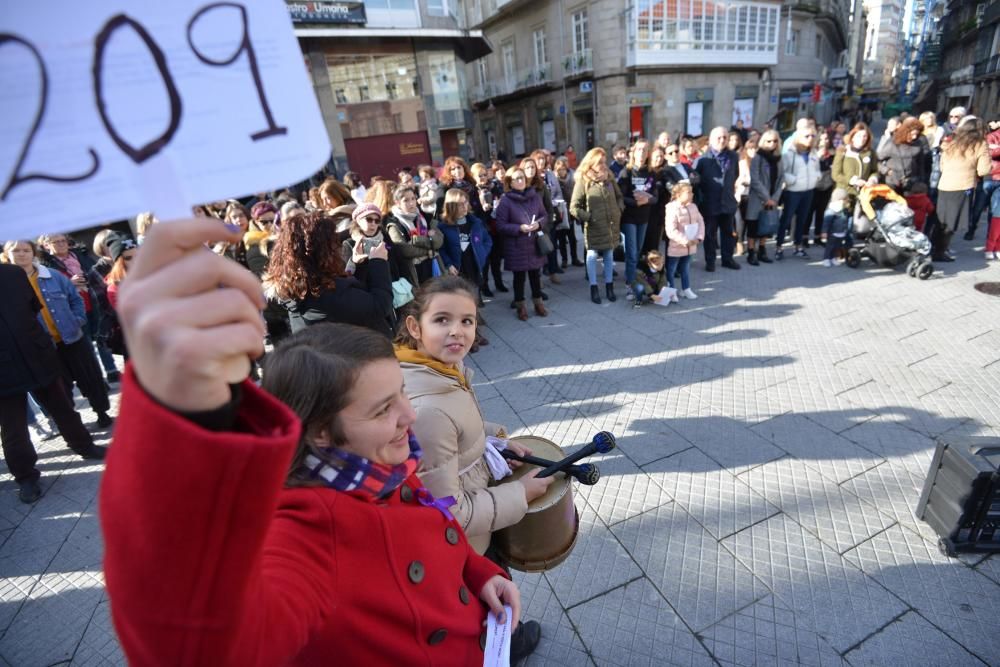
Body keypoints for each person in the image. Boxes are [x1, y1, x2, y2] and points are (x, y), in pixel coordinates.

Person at [101, 221, 522, 664]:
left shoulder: (376, 460)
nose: (409, 415)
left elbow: (437, 524)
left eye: (401, 391)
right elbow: (202, 645)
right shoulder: (305, 531)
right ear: (321, 429)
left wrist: (479, 573)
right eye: (383, 409)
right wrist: (173, 408)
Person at [394, 276, 548, 660]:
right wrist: (520, 494)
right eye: (442, 320)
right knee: (489, 601)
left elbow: (459, 430)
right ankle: (504, 649)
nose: (457, 332)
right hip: (467, 541)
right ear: (415, 326)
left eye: (467, 321)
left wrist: (493, 441)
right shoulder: (428, 407)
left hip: (476, 506)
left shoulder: (440, 368)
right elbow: (448, 514)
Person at [0, 263, 105, 504]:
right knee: (13, 425)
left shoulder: (13, 273)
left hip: (36, 353)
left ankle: (84, 445)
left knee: (63, 406)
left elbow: (33, 307)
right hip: (3, 368)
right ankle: (25, 476)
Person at [4, 241, 115, 428]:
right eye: (16, 251)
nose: (22, 254)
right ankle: (73, 424)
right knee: (60, 390)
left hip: (72, 338)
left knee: (90, 378)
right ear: (7, 255)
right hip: (41, 347)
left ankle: (101, 412)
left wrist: (77, 320)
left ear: (34, 253)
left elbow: (75, 299)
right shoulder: (7, 285)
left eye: (26, 250)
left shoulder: (53, 276)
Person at [268, 212, 394, 337]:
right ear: (321, 250)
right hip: (356, 353)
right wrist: (379, 262)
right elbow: (380, 305)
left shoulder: (298, 285)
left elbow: (355, 299)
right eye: (333, 240)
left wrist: (356, 264)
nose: (337, 245)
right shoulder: (327, 292)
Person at [39, 232, 120, 383]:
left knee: (102, 338)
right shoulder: (46, 266)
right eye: (56, 242)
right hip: (72, 309)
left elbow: (96, 274)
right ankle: (97, 378)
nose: (62, 244)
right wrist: (70, 283)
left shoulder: (80, 255)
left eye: (63, 240)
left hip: (95, 303)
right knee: (87, 345)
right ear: (47, 245)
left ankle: (112, 371)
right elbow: (49, 290)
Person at [570, 147, 624, 304]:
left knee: (608, 255)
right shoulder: (583, 180)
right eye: (599, 162)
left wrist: (619, 209)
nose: (603, 164)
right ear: (591, 162)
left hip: (610, 224)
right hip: (594, 226)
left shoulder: (609, 177)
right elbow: (574, 207)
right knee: (592, 255)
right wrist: (589, 218)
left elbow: (619, 196)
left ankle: (609, 287)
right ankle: (593, 287)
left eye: (604, 161)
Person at [495, 166, 549, 320]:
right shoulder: (505, 201)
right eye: (517, 178)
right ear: (509, 183)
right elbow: (501, 225)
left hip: (534, 243)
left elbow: (544, 215)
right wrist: (519, 228)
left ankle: (538, 304)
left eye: (522, 178)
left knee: (535, 276)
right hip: (516, 245)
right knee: (519, 278)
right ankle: (521, 306)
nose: (520, 181)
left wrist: (538, 224)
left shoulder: (534, 196)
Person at [693, 126, 741, 270]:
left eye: (725, 137)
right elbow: (696, 181)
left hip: (727, 202)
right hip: (709, 203)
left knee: (728, 233)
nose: (722, 140)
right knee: (710, 235)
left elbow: (735, 175)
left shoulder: (733, 156)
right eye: (718, 138)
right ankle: (710, 261)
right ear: (711, 140)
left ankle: (728, 259)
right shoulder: (702, 160)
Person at [617, 138, 659, 298]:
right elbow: (620, 196)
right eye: (639, 149)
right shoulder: (626, 172)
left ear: (648, 153)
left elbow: (656, 197)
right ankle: (631, 285)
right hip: (629, 218)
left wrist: (647, 200)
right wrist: (636, 201)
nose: (641, 152)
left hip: (644, 217)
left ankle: (632, 278)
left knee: (637, 252)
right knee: (632, 253)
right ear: (633, 153)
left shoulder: (651, 173)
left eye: (644, 150)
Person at [937, 116, 990, 242]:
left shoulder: (952, 142)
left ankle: (936, 248)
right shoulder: (980, 145)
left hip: (944, 184)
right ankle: (942, 250)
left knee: (941, 219)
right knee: (953, 220)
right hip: (963, 186)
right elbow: (984, 170)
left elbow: (942, 165)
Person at [384, 184, 443, 288]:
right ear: (397, 203)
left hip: (433, 265)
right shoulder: (394, 224)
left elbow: (438, 241)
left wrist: (417, 240)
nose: (411, 203)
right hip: (415, 272)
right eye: (405, 200)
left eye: (413, 199)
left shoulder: (425, 217)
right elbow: (404, 250)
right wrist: (428, 250)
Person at [777, 126, 820, 259]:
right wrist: (792, 180)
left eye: (812, 136)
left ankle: (798, 246)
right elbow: (783, 172)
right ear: (799, 137)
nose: (810, 139)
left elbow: (817, 168)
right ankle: (779, 247)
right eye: (807, 136)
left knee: (803, 219)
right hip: (793, 191)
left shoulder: (813, 153)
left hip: (808, 191)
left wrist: (816, 177)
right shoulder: (790, 153)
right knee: (786, 220)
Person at [746, 129, 783, 265]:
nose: (772, 143)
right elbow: (754, 179)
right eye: (769, 141)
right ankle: (751, 252)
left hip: (772, 198)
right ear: (763, 142)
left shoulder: (779, 158)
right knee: (753, 226)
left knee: (766, 225)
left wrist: (775, 197)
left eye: (774, 141)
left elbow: (781, 179)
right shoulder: (758, 157)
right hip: (758, 198)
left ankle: (762, 251)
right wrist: (766, 197)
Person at [663, 182, 704, 300]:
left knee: (685, 268)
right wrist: (685, 240)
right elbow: (670, 230)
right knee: (671, 269)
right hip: (677, 246)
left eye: (692, 191)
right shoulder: (672, 208)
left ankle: (686, 289)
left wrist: (699, 237)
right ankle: (671, 291)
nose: (692, 194)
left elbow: (701, 222)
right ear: (678, 195)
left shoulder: (693, 206)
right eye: (689, 192)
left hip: (691, 245)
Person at [878, 117, 930, 193]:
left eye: (917, 134)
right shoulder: (893, 143)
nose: (914, 137)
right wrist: (886, 170)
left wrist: (921, 180)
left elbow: (921, 164)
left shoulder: (918, 144)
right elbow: (877, 160)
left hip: (911, 182)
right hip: (892, 181)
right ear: (905, 132)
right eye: (912, 134)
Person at [832, 122, 879, 200]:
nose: (862, 138)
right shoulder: (843, 151)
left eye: (865, 136)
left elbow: (874, 171)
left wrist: (872, 179)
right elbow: (835, 174)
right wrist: (853, 181)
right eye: (859, 136)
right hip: (845, 192)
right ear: (853, 137)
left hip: (864, 192)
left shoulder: (870, 153)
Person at [341, 202, 385, 281]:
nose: (373, 224)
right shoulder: (349, 243)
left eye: (377, 221)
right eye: (369, 219)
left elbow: (395, 266)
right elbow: (347, 273)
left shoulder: (384, 238)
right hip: (364, 288)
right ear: (358, 221)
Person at [554, 157, 585, 267]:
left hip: (570, 210)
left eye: (563, 168)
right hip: (560, 211)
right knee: (561, 238)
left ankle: (575, 258)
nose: (562, 171)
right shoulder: (554, 180)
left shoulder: (572, 176)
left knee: (572, 237)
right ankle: (564, 260)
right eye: (559, 169)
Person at [809, 131, 836, 246]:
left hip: (827, 184)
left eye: (826, 139)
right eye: (822, 139)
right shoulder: (813, 152)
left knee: (821, 212)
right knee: (809, 212)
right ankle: (804, 237)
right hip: (814, 185)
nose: (824, 141)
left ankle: (818, 236)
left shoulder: (832, 153)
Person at [643, 146, 670, 255]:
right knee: (642, 241)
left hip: (657, 212)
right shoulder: (645, 170)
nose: (659, 159)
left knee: (653, 242)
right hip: (643, 210)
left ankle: (653, 267)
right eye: (657, 156)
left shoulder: (664, 172)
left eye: (661, 156)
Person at [821, 189, 852, 267]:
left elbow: (845, 220)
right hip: (833, 232)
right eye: (845, 199)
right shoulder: (831, 211)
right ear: (839, 200)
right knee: (830, 246)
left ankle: (833, 258)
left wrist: (846, 230)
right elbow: (826, 222)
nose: (846, 201)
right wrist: (824, 232)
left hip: (841, 232)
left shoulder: (844, 209)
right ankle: (826, 258)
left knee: (837, 246)